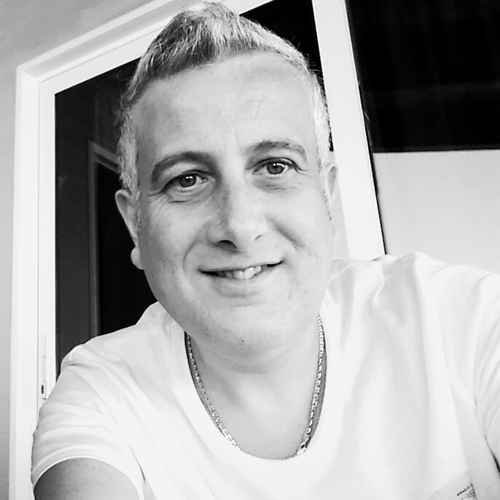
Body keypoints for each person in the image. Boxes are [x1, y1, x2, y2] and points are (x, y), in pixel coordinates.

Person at [32, 3, 500, 499]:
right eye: (187, 180)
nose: (239, 226)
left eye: (275, 166)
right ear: (135, 224)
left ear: (327, 197)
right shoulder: (101, 395)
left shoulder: (458, 318)